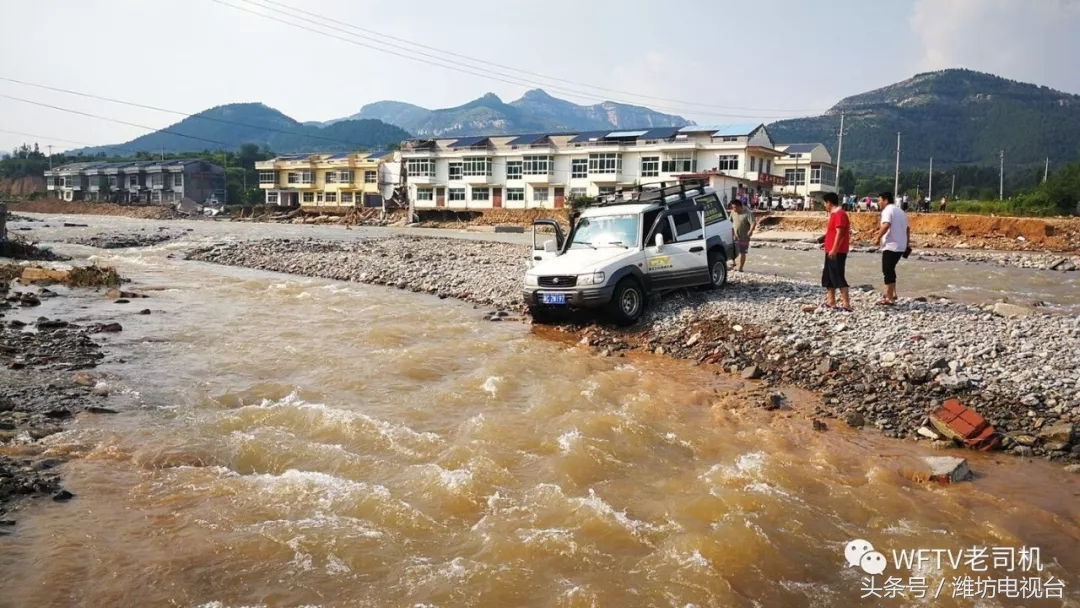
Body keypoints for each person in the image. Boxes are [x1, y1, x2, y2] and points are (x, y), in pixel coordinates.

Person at [874, 191, 910, 306]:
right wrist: (907, 243)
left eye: (879, 200)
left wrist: (877, 238)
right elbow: (907, 229)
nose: (878, 203)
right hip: (901, 245)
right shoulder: (900, 211)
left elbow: (886, 225)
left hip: (891, 245)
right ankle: (893, 294)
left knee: (887, 271)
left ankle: (889, 298)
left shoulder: (887, 210)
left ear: (885, 200)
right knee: (891, 269)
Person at [821, 192, 852, 311]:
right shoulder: (834, 214)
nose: (824, 206)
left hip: (837, 252)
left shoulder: (840, 214)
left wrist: (834, 249)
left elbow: (840, 233)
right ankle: (831, 302)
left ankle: (846, 304)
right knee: (828, 276)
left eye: (825, 203)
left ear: (829, 202)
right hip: (830, 250)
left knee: (838, 276)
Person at [729, 199, 756, 272]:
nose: (734, 209)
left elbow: (753, 223)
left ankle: (740, 268)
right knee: (732, 250)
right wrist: (731, 232)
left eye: (735, 207)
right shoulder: (733, 212)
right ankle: (733, 262)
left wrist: (750, 231)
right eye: (733, 207)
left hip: (744, 237)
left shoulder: (748, 213)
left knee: (742, 252)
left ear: (740, 206)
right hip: (735, 236)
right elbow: (730, 222)